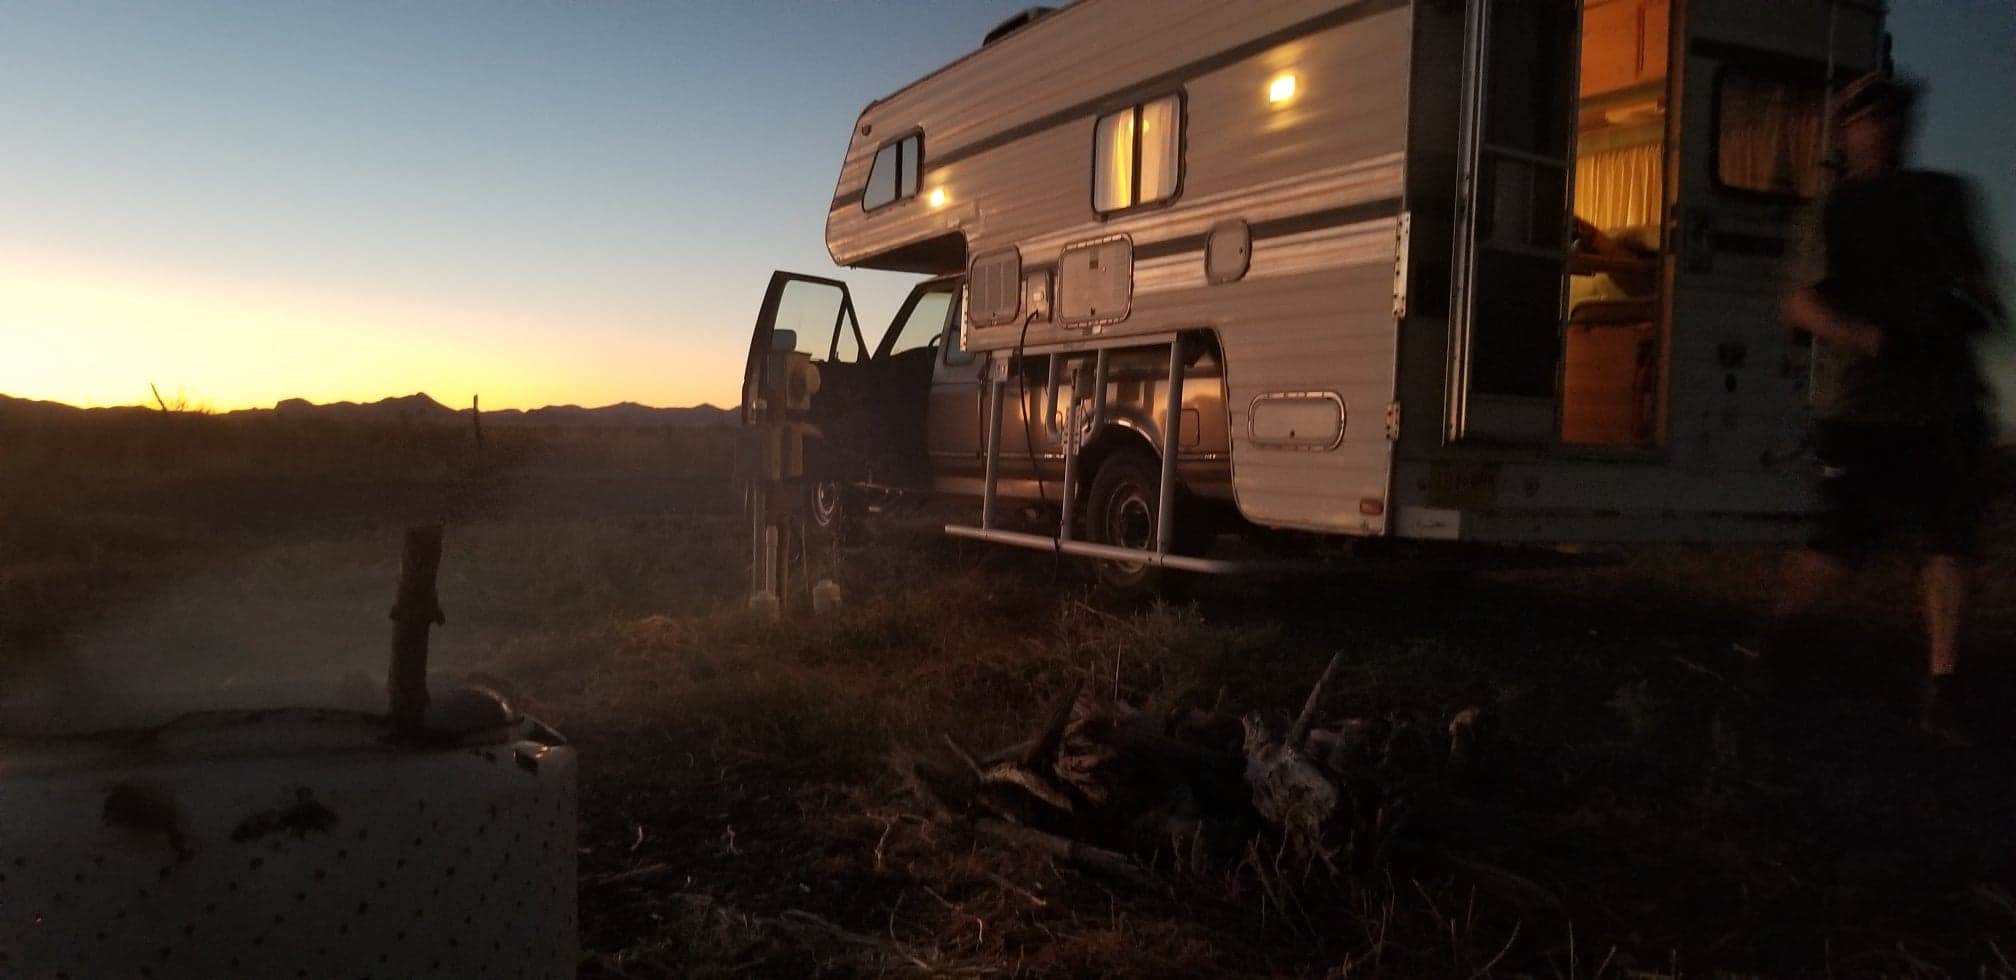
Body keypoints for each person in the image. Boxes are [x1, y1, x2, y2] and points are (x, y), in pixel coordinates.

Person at [1738, 73, 2006, 745]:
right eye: (1869, 119)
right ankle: (1774, 638)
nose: (1883, 129)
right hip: (1865, 405)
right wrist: (1864, 337)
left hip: (1944, 399)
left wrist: (1975, 308)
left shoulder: (1943, 198)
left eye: (1894, 117)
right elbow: (1799, 301)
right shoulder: (1833, 211)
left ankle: (1942, 687)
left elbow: (1979, 281)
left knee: (1949, 541)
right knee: (1841, 543)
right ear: (1847, 131)